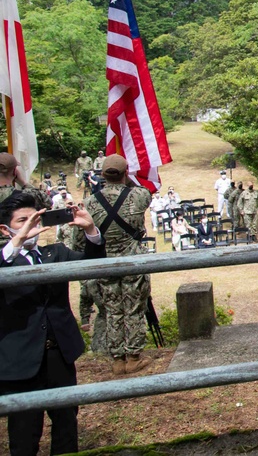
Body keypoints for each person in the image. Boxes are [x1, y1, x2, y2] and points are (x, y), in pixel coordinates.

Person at [0, 190, 106, 456]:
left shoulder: (55, 253)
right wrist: (18, 241)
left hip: (60, 353)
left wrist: (91, 229)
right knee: (24, 433)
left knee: (66, 426)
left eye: (33, 220)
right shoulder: (4, 259)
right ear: (4, 229)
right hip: (20, 360)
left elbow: (94, 265)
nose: (30, 226)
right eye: (21, 221)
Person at [84, 155, 154, 376]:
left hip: (106, 259)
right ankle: (133, 357)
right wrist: (128, 178)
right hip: (133, 259)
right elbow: (145, 192)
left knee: (113, 310)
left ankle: (117, 359)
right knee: (133, 309)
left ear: (102, 175)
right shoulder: (138, 195)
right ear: (126, 173)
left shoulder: (91, 202)